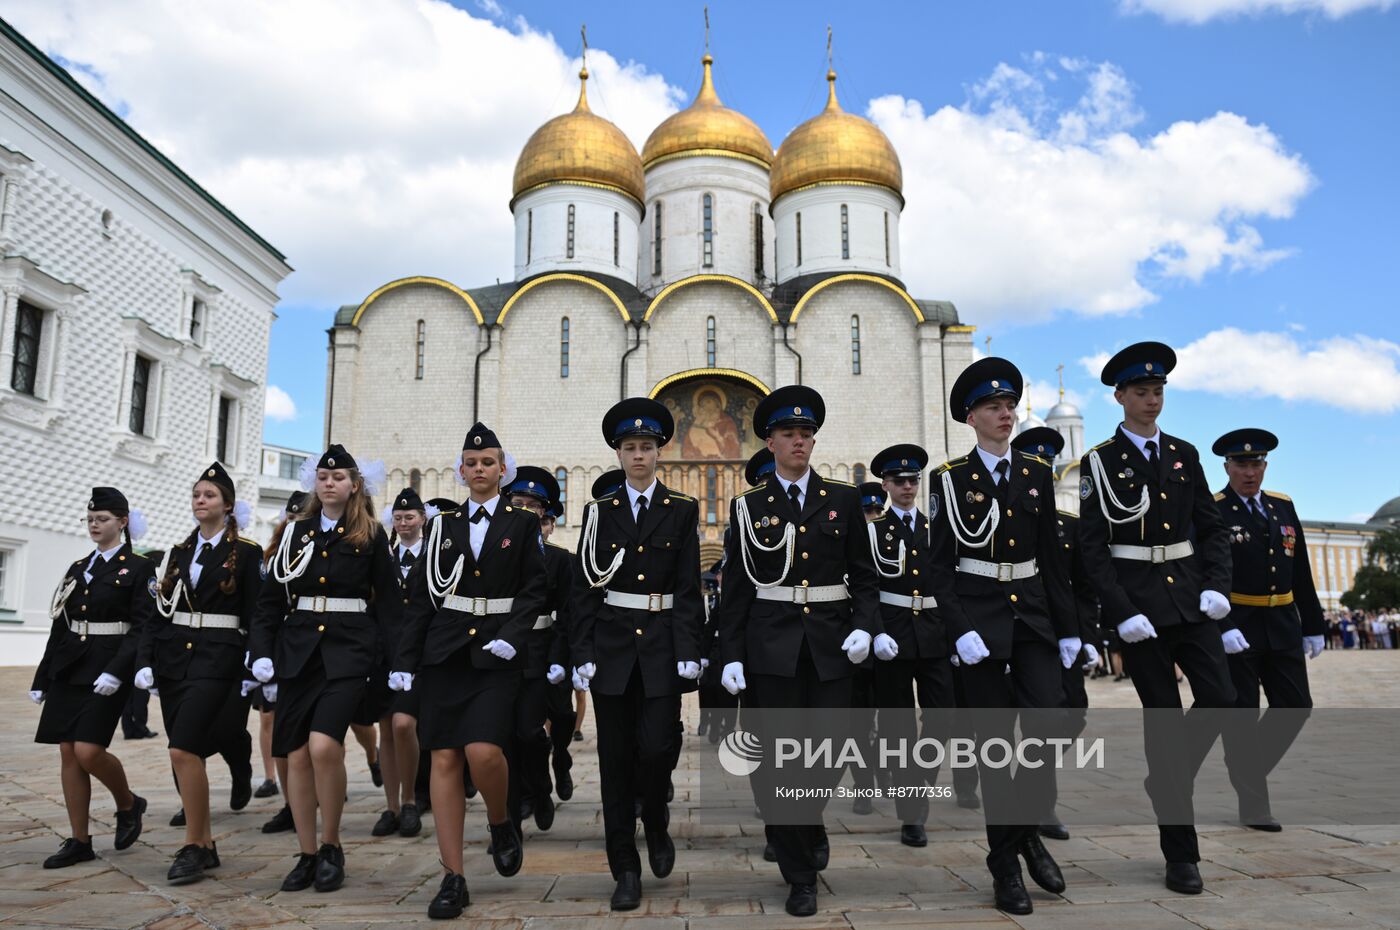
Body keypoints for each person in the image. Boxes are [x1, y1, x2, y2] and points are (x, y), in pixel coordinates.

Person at [714, 385, 880, 918]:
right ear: (770, 441)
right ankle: (799, 873)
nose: (800, 442)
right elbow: (736, 588)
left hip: (832, 645)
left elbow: (866, 578)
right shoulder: (748, 507)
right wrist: (730, 655)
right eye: (789, 434)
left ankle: (807, 823)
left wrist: (866, 624)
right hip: (771, 647)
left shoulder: (844, 499)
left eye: (806, 434)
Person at [1077, 342, 1236, 897]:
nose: (1151, 400)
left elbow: (1211, 529)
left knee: (1223, 697)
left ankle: (1164, 776)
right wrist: (1120, 614)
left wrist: (1218, 589)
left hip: (1191, 600)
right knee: (1164, 723)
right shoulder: (1098, 461)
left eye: (1158, 391)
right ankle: (1182, 854)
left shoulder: (1185, 454)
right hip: (1139, 607)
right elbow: (1093, 550)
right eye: (1141, 392)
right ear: (1119, 397)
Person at [928, 359, 1077, 916]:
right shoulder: (948, 479)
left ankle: (1024, 833)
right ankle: (1006, 863)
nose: (1006, 414)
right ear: (972, 417)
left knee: (1047, 729)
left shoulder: (1036, 473)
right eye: (994, 407)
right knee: (996, 750)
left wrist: (1069, 631)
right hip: (979, 625)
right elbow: (938, 566)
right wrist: (958, 629)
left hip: (1033, 619)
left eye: (1010, 405)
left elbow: (1054, 562)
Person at [389, 422, 547, 919]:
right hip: (446, 653)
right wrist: (404, 663)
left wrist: (514, 634)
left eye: (488, 463)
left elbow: (535, 591)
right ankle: (452, 876)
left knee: (484, 753)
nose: (479, 469)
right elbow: (422, 600)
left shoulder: (521, 525)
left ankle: (500, 820)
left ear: (503, 470)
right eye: (471, 463)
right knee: (443, 761)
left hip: (497, 654)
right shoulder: (441, 526)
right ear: (461, 471)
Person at [248, 444, 400, 894]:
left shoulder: (370, 535)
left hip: (349, 651)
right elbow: (269, 602)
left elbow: (390, 606)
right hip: (299, 653)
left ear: (354, 485)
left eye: (339, 477)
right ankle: (307, 851)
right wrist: (261, 650)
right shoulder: (295, 535)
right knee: (294, 753)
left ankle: (332, 845)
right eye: (323, 476)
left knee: (321, 746)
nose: (329, 482)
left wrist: (395, 662)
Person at [570, 398, 703, 911]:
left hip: (663, 645)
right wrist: (581, 649)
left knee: (657, 747)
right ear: (618, 454)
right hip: (612, 648)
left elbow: (689, 587)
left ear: (659, 452)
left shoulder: (682, 509)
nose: (639, 455)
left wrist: (690, 647)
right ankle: (624, 865)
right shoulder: (599, 513)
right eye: (630, 448)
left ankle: (658, 820)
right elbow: (586, 587)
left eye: (647, 447)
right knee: (614, 761)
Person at [133, 463, 262, 883]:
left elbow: (256, 613)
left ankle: (191, 844)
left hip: (219, 661)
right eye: (196, 495)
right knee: (183, 750)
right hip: (175, 661)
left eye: (209, 495)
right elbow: (158, 614)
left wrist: (256, 660)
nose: (199, 501)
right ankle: (205, 845)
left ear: (227, 505)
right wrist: (146, 661)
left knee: (183, 748)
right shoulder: (178, 553)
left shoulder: (246, 552)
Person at [1211, 428, 1325, 831]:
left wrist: (1314, 624)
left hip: (1282, 623)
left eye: (1256, 463)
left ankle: (1244, 765)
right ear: (1226, 466)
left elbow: (1302, 570)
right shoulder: (1214, 510)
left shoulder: (1282, 506)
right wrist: (1222, 626)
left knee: (1295, 706)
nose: (1249, 471)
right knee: (1242, 715)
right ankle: (1254, 805)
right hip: (1239, 626)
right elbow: (1206, 575)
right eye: (1241, 464)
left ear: (1265, 465)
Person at [31, 487, 152, 868]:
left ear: (122, 522)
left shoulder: (138, 567)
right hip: (71, 665)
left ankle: (129, 803)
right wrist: (43, 676)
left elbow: (143, 625)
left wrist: (119, 671)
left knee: (88, 750)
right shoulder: (79, 567)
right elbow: (61, 625)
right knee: (67, 750)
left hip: (109, 665)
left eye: (102, 519)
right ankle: (79, 839)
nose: (94, 525)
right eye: (90, 520)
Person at [1011, 426, 1102, 842]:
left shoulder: (1070, 524)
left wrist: (1087, 637)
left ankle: (1028, 781)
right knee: (1032, 721)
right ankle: (1041, 805)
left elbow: (1082, 589)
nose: (1043, 468)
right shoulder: (1004, 516)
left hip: (1060, 636)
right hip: (1017, 632)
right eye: (1035, 460)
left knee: (1073, 715)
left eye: (1047, 463)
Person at [867, 444, 956, 848]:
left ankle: (920, 779)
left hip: (935, 632)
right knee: (898, 726)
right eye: (899, 480)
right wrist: (874, 631)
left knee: (942, 718)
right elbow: (866, 589)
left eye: (913, 479)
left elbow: (952, 584)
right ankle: (911, 812)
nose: (907, 486)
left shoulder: (937, 528)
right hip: (894, 636)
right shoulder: (873, 531)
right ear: (885, 485)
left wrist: (959, 632)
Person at [500, 465, 568, 832]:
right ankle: (509, 819)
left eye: (531, 506)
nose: (523, 510)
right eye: (517, 503)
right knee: (503, 737)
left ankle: (540, 788)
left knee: (529, 731)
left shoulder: (557, 558)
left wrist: (560, 658)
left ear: (544, 513)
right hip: (499, 651)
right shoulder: (497, 547)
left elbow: (566, 615)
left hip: (537, 650)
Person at [368, 487, 436, 839]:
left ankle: (411, 799)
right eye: (398, 518)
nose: (404, 522)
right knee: (386, 729)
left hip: (420, 656)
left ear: (423, 519)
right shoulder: (384, 557)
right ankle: (391, 806)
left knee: (404, 724)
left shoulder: (434, 556)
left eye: (410, 517)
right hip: (385, 655)